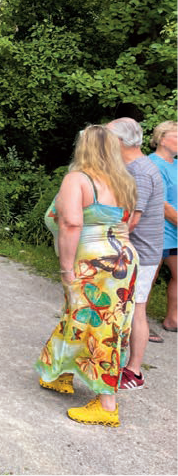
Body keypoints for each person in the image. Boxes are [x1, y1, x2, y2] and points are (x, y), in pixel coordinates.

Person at [35, 125, 138, 427]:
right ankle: (60, 373)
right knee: (90, 320)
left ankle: (107, 406)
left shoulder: (77, 179)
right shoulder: (124, 180)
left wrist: (67, 268)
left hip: (94, 262)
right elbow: (127, 224)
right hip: (124, 259)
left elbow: (70, 224)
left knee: (96, 325)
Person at [107, 118, 164, 391]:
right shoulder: (134, 167)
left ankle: (134, 371)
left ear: (120, 141)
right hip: (137, 251)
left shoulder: (139, 172)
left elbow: (131, 220)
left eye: (107, 136)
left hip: (140, 253)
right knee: (130, 309)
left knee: (137, 309)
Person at [148, 120, 178, 333]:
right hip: (157, 230)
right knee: (149, 278)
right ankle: (138, 323)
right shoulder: (152, 164)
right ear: (160, 138)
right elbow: (162, 204)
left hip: (176, 231)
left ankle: (172, 319)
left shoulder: (177, 165)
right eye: (176, 136)